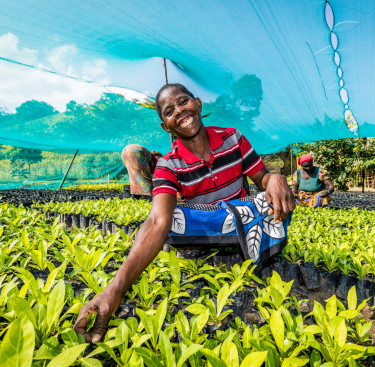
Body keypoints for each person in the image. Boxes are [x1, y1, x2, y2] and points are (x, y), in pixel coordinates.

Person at [74, 83, 295, 343]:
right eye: (169, 111)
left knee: (278, 199)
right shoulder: (167, 165)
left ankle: (233, 238)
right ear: (166, 126)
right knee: (172, 221)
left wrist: (275, 179)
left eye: (183, 102)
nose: (179, 111)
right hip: (210, 224)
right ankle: (230, 241)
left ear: (198, 103)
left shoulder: (233, 138)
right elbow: (158, 220)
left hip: (241, 217)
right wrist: (114, 289)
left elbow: (263, 178)